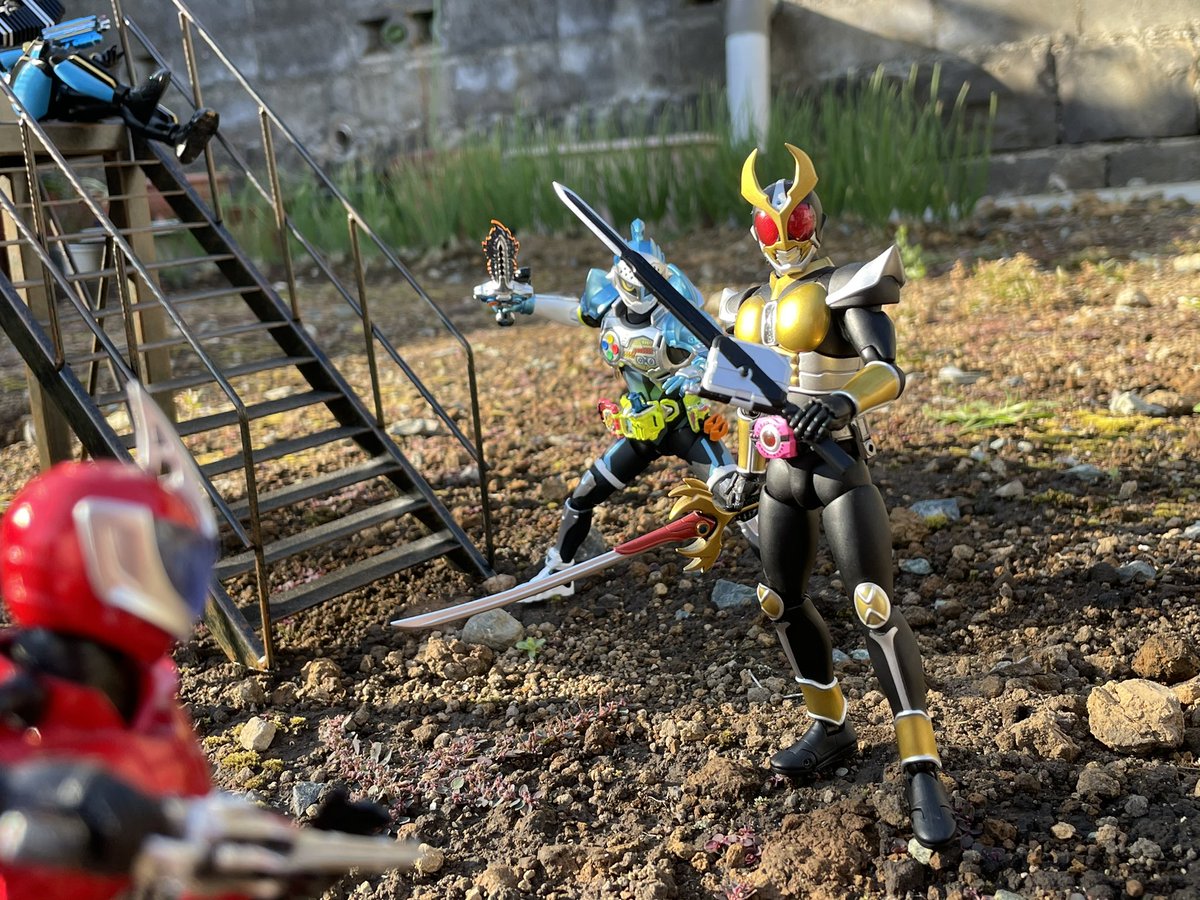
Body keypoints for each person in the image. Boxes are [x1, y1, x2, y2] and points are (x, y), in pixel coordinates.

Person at [710, 143, 957, 848]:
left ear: (814, 216)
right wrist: (741, 470)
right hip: (778, 473)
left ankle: (920, 766)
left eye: (796, 219)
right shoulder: (746, 304)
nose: (784, 235)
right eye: (770, 225)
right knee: (779, 602)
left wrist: (843, 402)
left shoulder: (844, 284)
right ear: (756, 229)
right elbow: (745, 400)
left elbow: (888, 370)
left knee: (872, 604)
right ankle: (830, 726)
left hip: (836, 465)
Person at [474, 219, 737, 601]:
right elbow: (574, 312)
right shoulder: (609, 308)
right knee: (582, 496)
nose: (642, 292)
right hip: (641, 431)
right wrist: (526, 302)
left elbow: (718, 351)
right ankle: (560, 572)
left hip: (686, 426)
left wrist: (698, 371)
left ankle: (779, 569)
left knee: (734, 494)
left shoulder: (677, 316)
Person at [0, 5, 218, 164]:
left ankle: (177, 137)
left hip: (59, 99)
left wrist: (97, 65)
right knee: (46, 51)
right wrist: (42, 45)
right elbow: (27, 57)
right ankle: (129, 97)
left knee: (118, 103)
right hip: (18, 102)